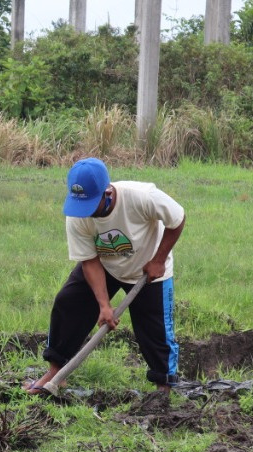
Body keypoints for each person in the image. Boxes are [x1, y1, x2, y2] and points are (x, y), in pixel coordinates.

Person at [27, 157, 185, 393]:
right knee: (69, 303)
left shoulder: (142, 197)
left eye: (91, 204)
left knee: (155, 330)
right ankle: (57, 371)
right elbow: (89, 260)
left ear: (107, 193)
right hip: (105, 264)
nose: (86, 212)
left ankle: (164, 386)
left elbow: (178, 218)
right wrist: (104, 305)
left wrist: (159, 260)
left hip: (149, 268)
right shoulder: (77, 214)